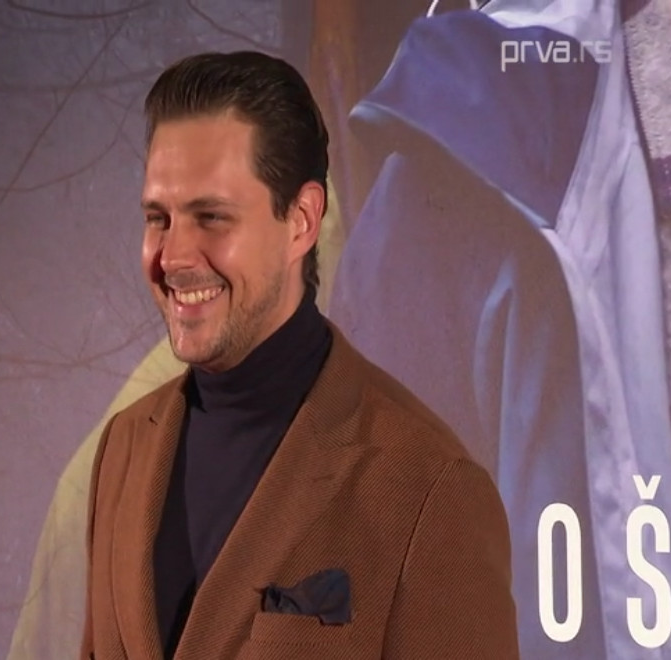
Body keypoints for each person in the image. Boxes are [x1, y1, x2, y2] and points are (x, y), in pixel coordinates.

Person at [80, 51, 518, 660]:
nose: (173, 256)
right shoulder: (122, 450)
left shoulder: (428, 488)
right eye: (159, 219)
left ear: (302, 221)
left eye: (211, 217)